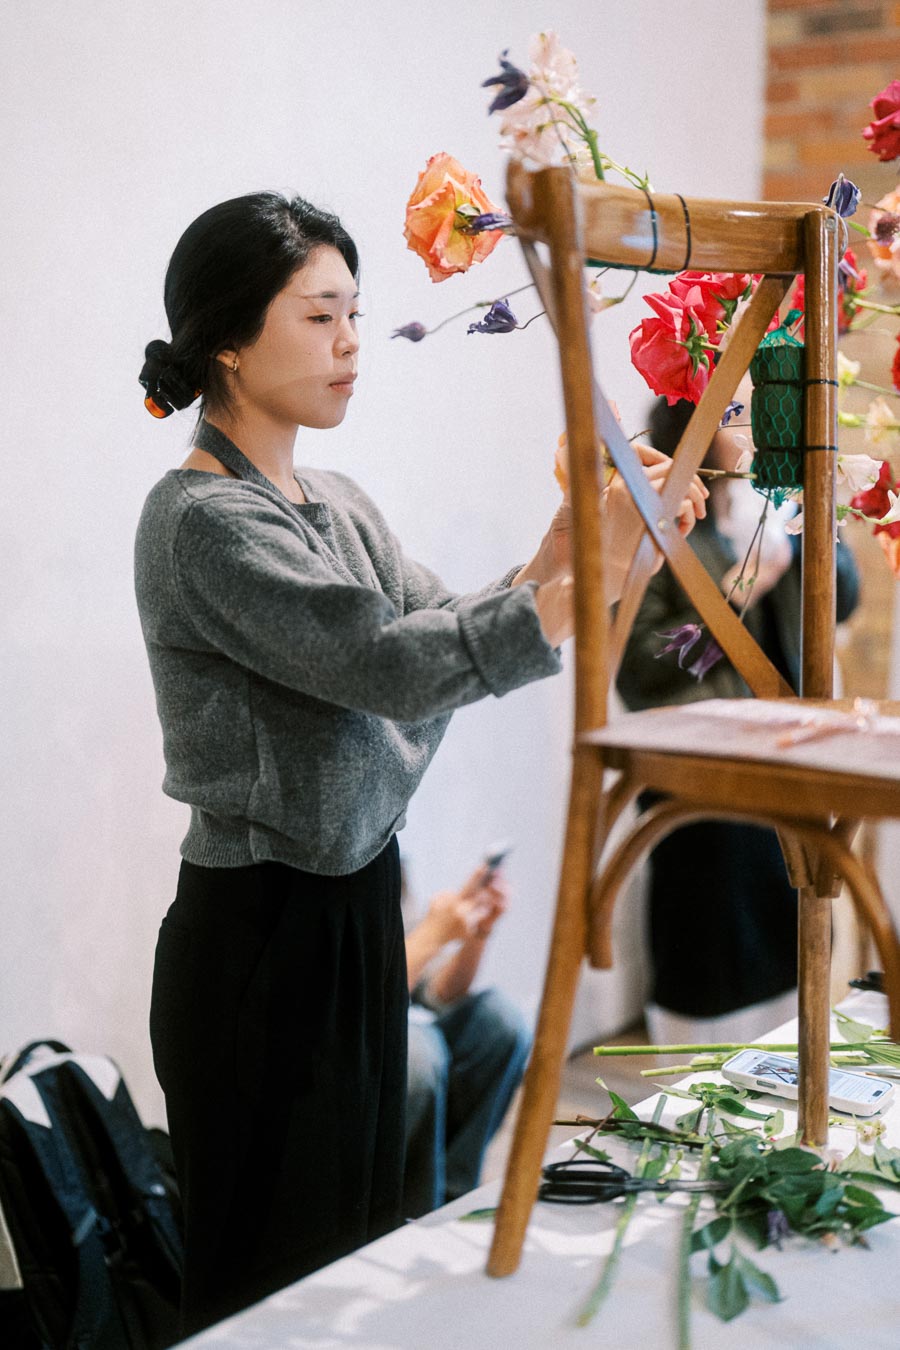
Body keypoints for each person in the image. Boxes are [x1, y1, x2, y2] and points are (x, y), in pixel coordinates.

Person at [134, 190, 708, 1334]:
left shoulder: (334, 501)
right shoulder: (200, 522)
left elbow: (452, 628)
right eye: (320, 316)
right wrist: (577, 571)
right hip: (259, 946)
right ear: (232, 345)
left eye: (357, 312)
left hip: (352, 922)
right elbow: (397, 664)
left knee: (352, 1259)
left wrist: (571, 548)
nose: (353, 343)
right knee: (269, 1292)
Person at [615, 389, 860, 1044]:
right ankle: (698, 1098)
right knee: (712, 942)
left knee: (795, 928)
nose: (754, 432)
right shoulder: (656, 520)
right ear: (694, 423)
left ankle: (779, 1095)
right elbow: (645, 668)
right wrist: (742, 587)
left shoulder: (768, 510)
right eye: (736, 417)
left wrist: (813, 518)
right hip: (702, 774)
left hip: (784, 758)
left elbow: (844, 598)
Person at [401, 859, 530, 1218]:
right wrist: (432, 936)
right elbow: (361, 1002)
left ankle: (452, 1196)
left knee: (501, 1022)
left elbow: (435, 994)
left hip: (398, 1016)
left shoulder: (387, 851)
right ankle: (411, 1214)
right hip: (349, 1033)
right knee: (418, 1056)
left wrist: (476, 934)